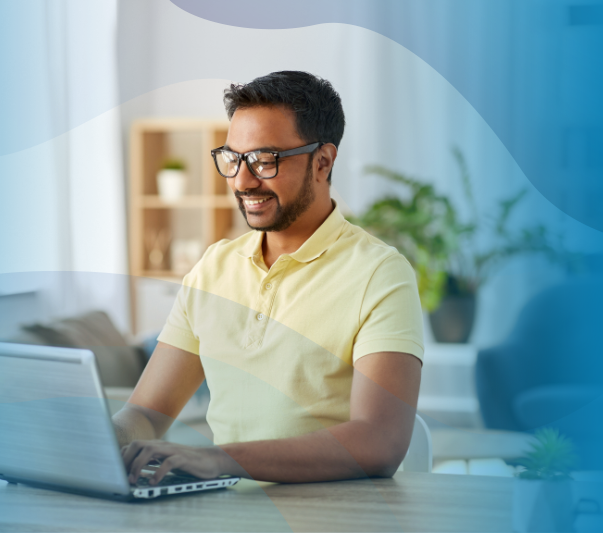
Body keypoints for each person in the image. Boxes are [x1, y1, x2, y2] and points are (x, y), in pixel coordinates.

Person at [114, 71, 424, 484]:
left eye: (265, 160)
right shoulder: (213, 268)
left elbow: (380, 441)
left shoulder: (380, 274)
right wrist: (97, 440)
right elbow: (147, 412)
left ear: (323, 162)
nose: (242, 181)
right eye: (234, 158)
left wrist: (220, 459)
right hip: (224, 513)